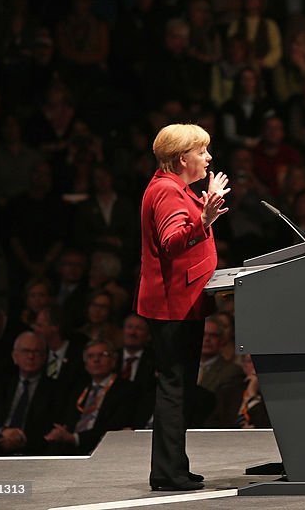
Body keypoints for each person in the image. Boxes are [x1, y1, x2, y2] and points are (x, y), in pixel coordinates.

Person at [136, 123, 230, 492]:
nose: (208, 158)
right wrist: (204, 218)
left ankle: (173, 467)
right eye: (202, 151)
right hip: (172, 306)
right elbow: (172, 242)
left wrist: (203, 214)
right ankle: (168, 472)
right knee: (175, 389)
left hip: (182, 302)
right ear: (182, 158)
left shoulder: (176, 189)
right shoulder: (167, 192)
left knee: (179, 388)